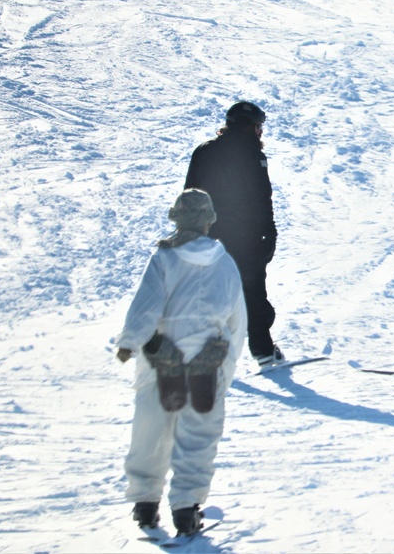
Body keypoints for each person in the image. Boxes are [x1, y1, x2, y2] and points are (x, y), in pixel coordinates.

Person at [115, 189, 247, 536]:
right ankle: (187, 509)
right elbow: (237, 322)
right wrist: (227, 368)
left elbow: (146, 306)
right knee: (198, 436)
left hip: (163, 363)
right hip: (208, 365)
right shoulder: (225, 263)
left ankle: (145, 504)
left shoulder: (164, 259)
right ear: (209, 221)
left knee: (151, 431)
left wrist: (130, 342)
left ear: (177, 220)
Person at [184, 101, 283, 367]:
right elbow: (262, 197)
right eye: (259, 126)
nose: (261, 132)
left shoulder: (204, 151)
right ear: (248, 126)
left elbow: (190, 193)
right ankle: (262, 350)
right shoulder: (252, 154)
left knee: (211, 291)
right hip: (245, 236)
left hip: (208, 236)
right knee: (252, 290)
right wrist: (269, 232)